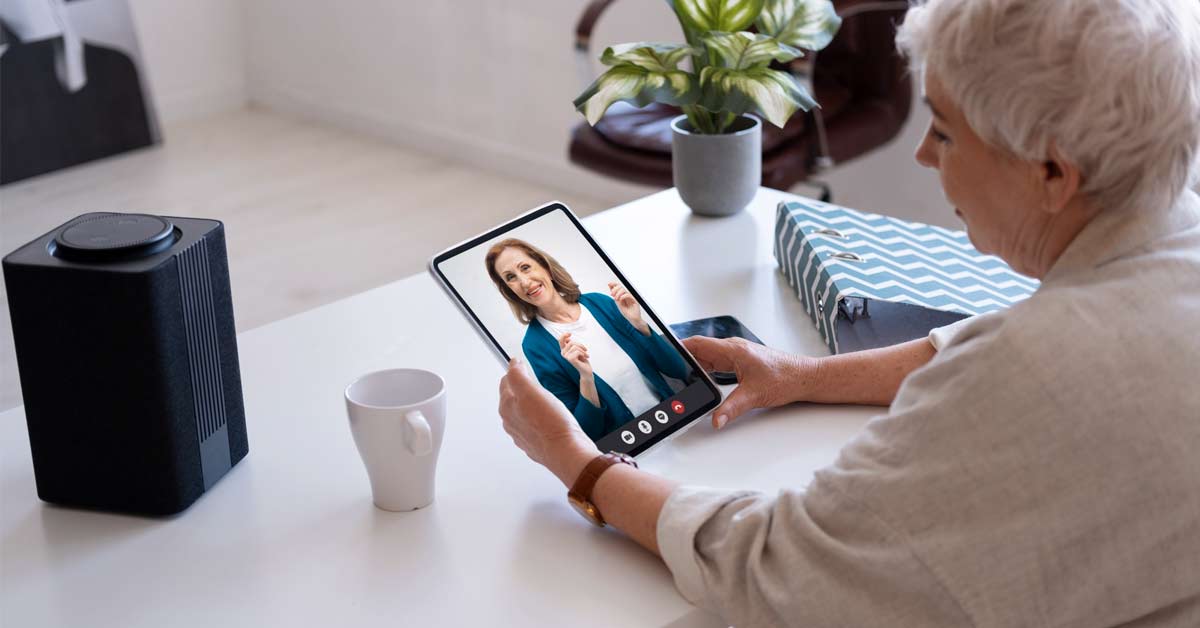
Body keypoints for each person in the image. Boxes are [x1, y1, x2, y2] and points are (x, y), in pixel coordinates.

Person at [497, 0, 1200, 625]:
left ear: (1051, 173)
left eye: (946, 133)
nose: (924, 155)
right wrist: (800, 373)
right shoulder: (1173, 239)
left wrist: (578, 465)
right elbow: (994, 341)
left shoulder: (1036, 370)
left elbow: (776, 570)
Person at [486, 238, 690, 440]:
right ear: (509, 290)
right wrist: (586, 378)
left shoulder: (601, 303)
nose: (524, 282)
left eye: (526, 267)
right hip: (630, 447)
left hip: (675, 419)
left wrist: (640, 326)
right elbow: (586, 432)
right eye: (511, 277)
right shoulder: (535, 346)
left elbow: (678, 370)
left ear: (545, 268)